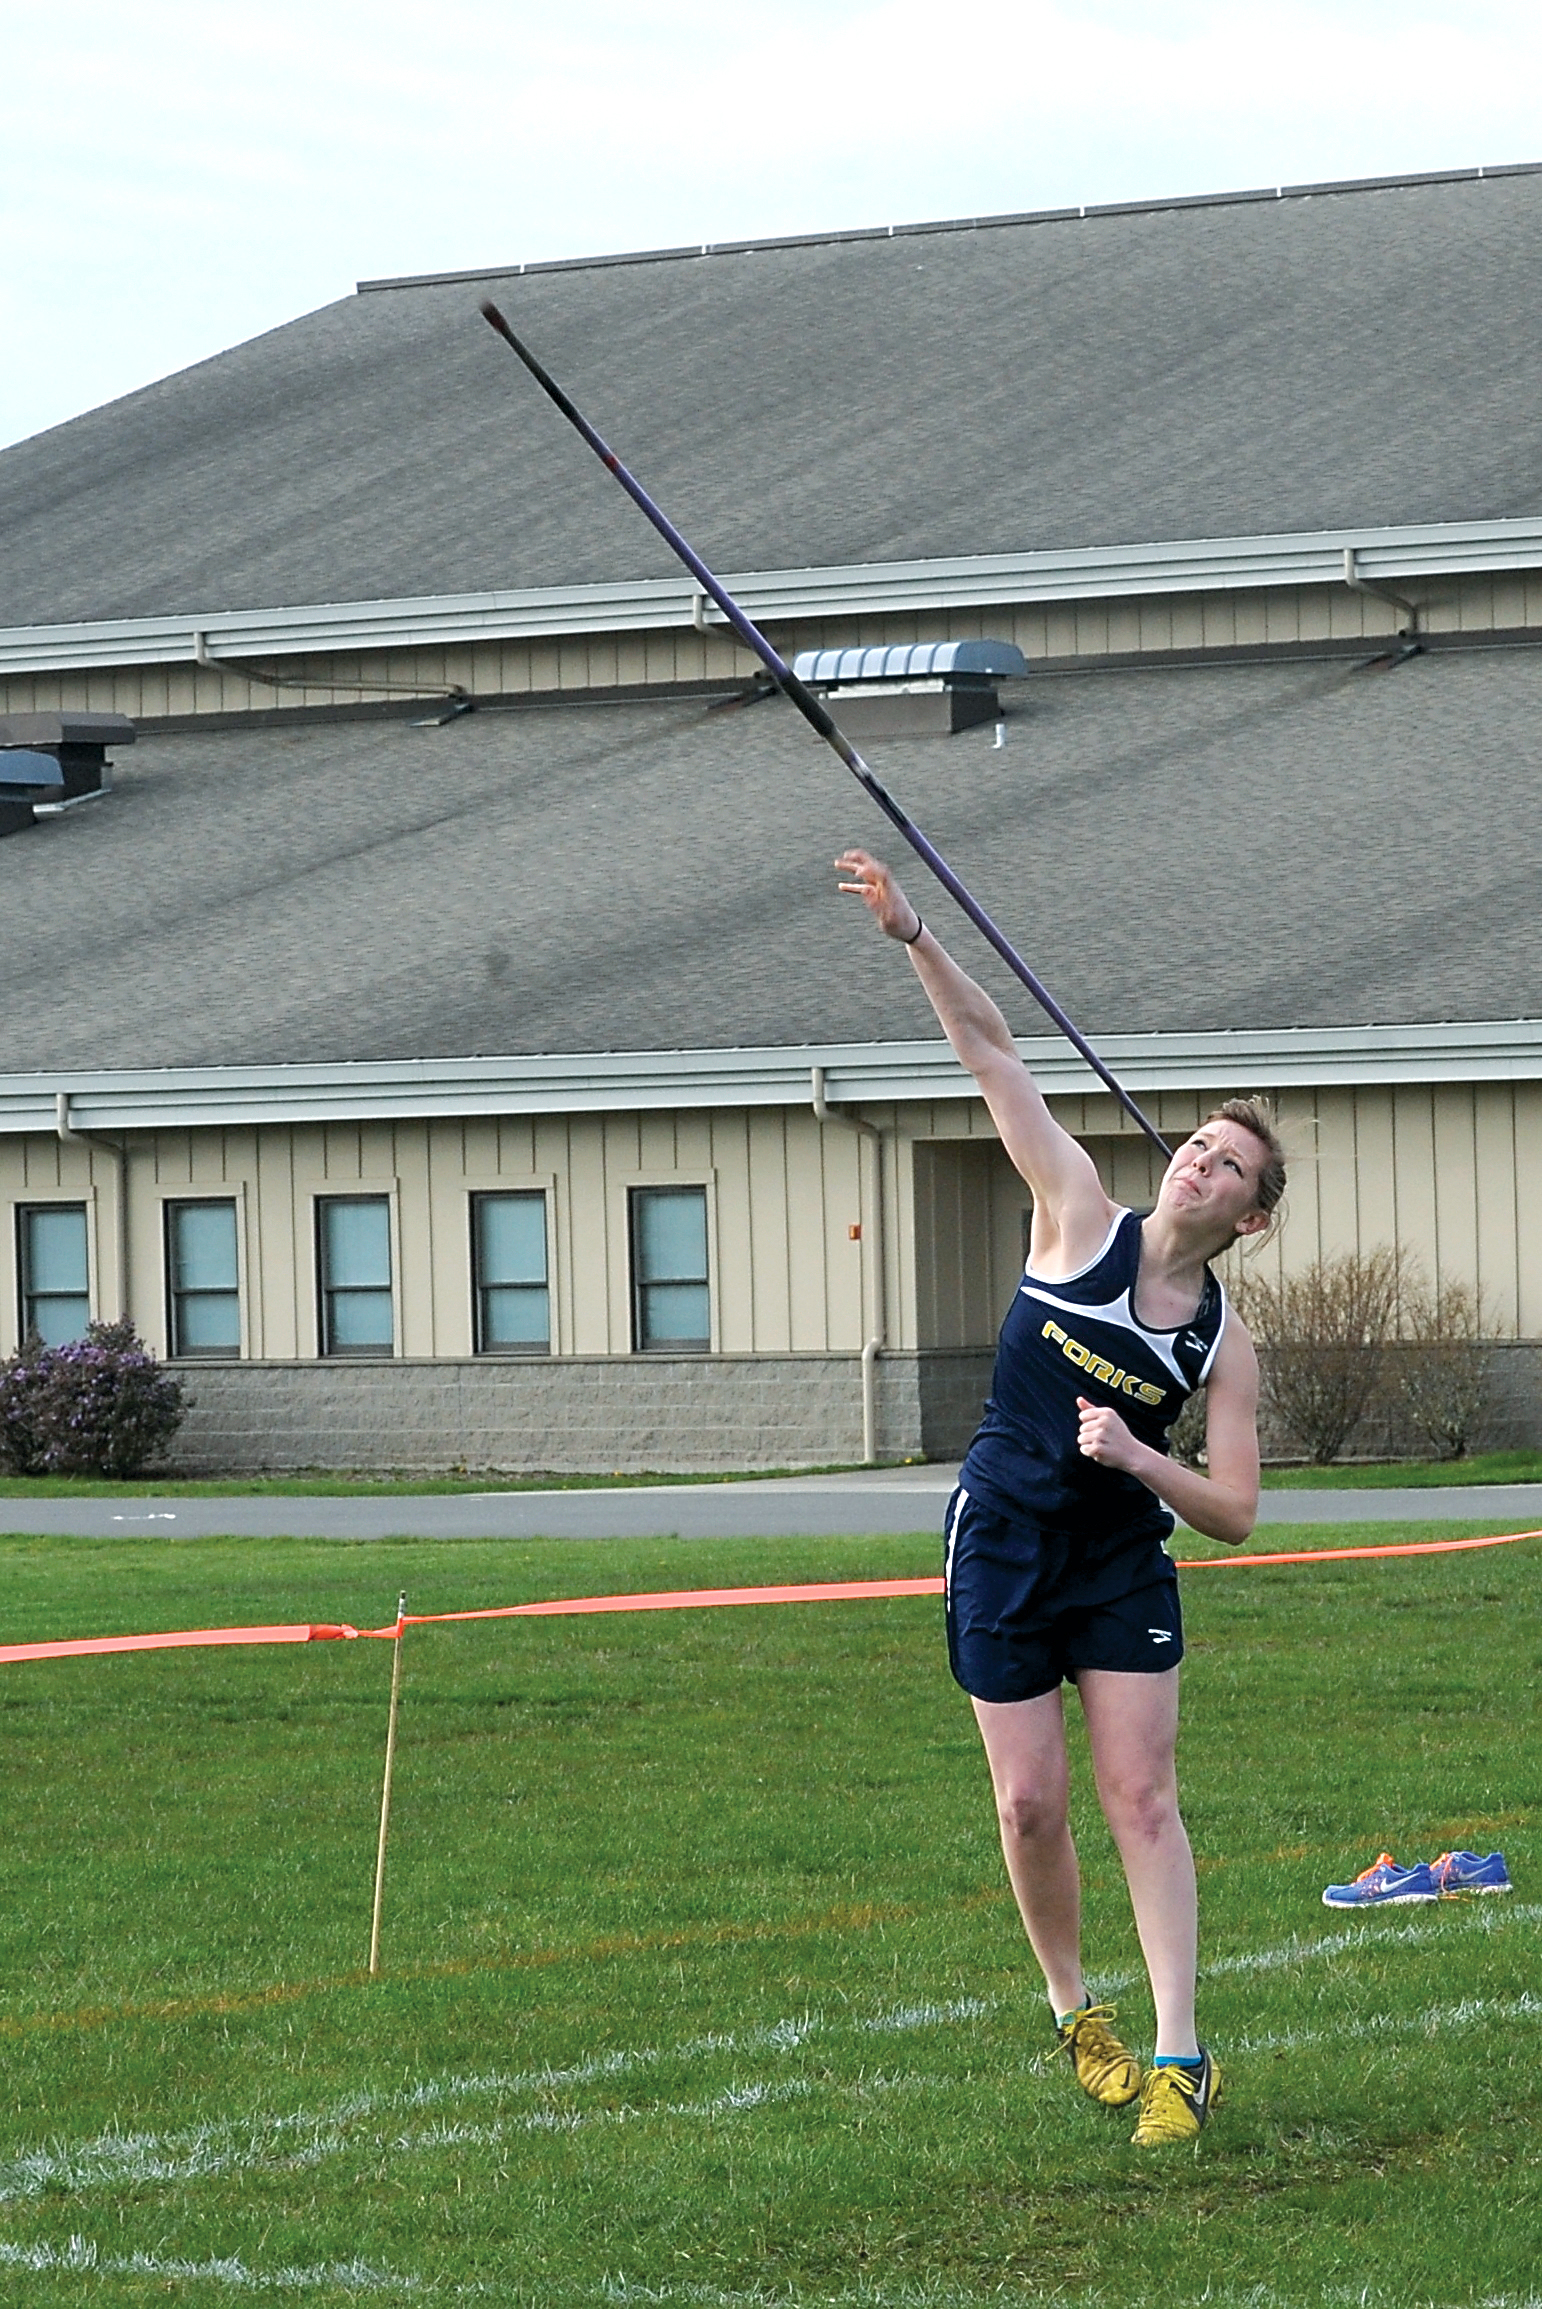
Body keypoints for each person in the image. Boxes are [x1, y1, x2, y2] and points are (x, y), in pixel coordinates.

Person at [836, 848, 1286, 2147]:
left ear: (1249, 1219)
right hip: (1002, 1539)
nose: (1200, 1164)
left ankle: (1182, 2054)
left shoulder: (1220, 1342)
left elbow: (1237, 1511)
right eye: (1198, 1143)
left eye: (1228, 1168)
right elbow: (993, 1054)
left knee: (1140, 1795)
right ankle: (1071, 2006)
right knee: (1027, 1803)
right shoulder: (1075, 1212)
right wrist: (912, 931)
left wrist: (1141, 1457)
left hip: (1115, 1557)